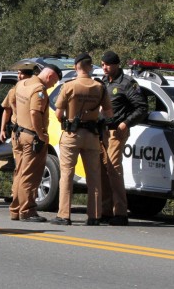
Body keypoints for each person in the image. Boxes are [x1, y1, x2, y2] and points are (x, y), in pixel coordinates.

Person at [50, 53, 113, 226]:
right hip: (92, 136)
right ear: (90, 67)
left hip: (72, 135)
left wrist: (68, 120)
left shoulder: (70, 86)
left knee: (67, 174)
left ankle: (64, 215)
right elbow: (108, 113)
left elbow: (58, 113)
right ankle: (94, 216)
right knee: (94, 177)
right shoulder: (100, 87)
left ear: (77, 66)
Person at [100, 51, 148, 226]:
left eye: (108, 64)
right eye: (102, 64)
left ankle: (120, 212)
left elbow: (142, 108)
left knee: (113, 169)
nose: (104, 67)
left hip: (117, 131)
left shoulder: (127, 83)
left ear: (116, 65)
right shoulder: (104, 82)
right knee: (103, 171)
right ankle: (105, 211)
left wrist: (126, 123)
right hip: (102, 131)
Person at [9, 63, 62, 222]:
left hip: (18, 133)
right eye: (54, 82)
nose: (53, 85)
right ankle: (27, 210)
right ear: (50, 76)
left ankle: (15, 209)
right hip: (32, 136)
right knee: (30, 175)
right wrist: (41, 135)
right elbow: (34, 113)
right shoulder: (39, 90)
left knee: (19, 173)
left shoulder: (21, 84)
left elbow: (12, 103)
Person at [0, 66, 35, 203]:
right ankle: (16, 195)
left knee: (23, 167)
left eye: (22, 74)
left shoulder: (32, 90)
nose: (19, 77)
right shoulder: (13, 91)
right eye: (19, 74)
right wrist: (2, 129)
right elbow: (6, 110)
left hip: (27, 132)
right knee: (19, 166)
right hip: (17, 132)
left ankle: (21, 196)